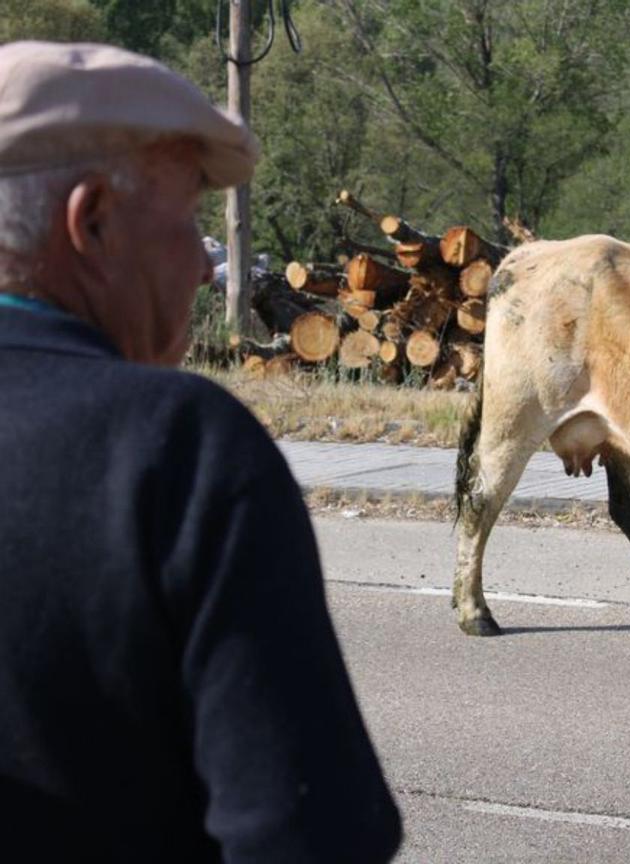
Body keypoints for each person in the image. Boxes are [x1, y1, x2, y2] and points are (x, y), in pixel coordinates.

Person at [0, 42, 401, 862]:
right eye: (187, 220)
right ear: (93, 220)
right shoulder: (174, 449)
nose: (200, 266)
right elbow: (307, 837)